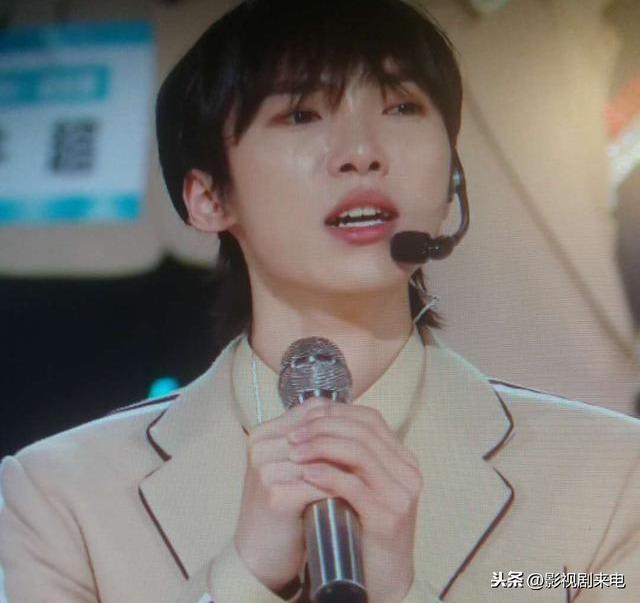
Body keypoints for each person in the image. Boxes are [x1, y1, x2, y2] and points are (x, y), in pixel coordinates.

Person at [1, 1, 639, 602]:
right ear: (209, 198)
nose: (362, 153)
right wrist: (244, 581)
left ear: (451, 180)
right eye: (302, 115)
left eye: (402, 107)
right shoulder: (62, 495)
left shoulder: (611, 478)